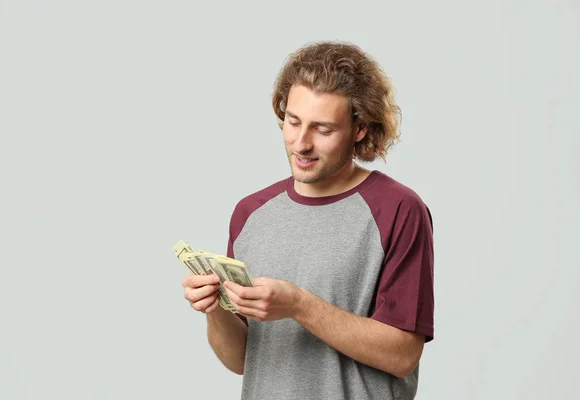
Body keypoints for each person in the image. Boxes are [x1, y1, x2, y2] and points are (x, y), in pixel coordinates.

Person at [181, 40, 435, 400]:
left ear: (359, 128)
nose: (300, 143)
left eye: (323, 129)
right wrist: (213, 310)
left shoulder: (398, 209)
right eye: (293, 121)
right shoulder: (249, 213)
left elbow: (402, 355)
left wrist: (300, 305)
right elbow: (240, 359)